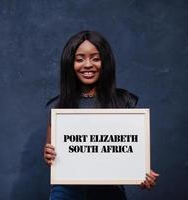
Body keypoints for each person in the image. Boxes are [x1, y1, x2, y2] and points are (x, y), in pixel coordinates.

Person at [43, 30, 159, 200]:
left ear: (105, 63)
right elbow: (51, 155)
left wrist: (142, 173)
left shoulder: (123, 101)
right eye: (80, 59)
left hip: (109, 192)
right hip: (66, 192)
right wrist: (48, 155)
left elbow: (131, 152)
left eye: (95, 58)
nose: (88, 64)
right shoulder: (58, 106)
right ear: (70, 63)